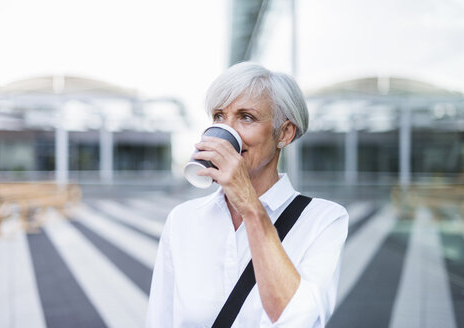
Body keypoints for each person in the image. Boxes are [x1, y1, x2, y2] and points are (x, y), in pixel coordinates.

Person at [146, 62, 349, 327]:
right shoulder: (183, 219)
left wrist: (251, 207)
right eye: (219, 117)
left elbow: (298, 319)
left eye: (246, 117)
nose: (228, 132)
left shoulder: (323, 220)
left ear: (284, 133)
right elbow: (160, 319)